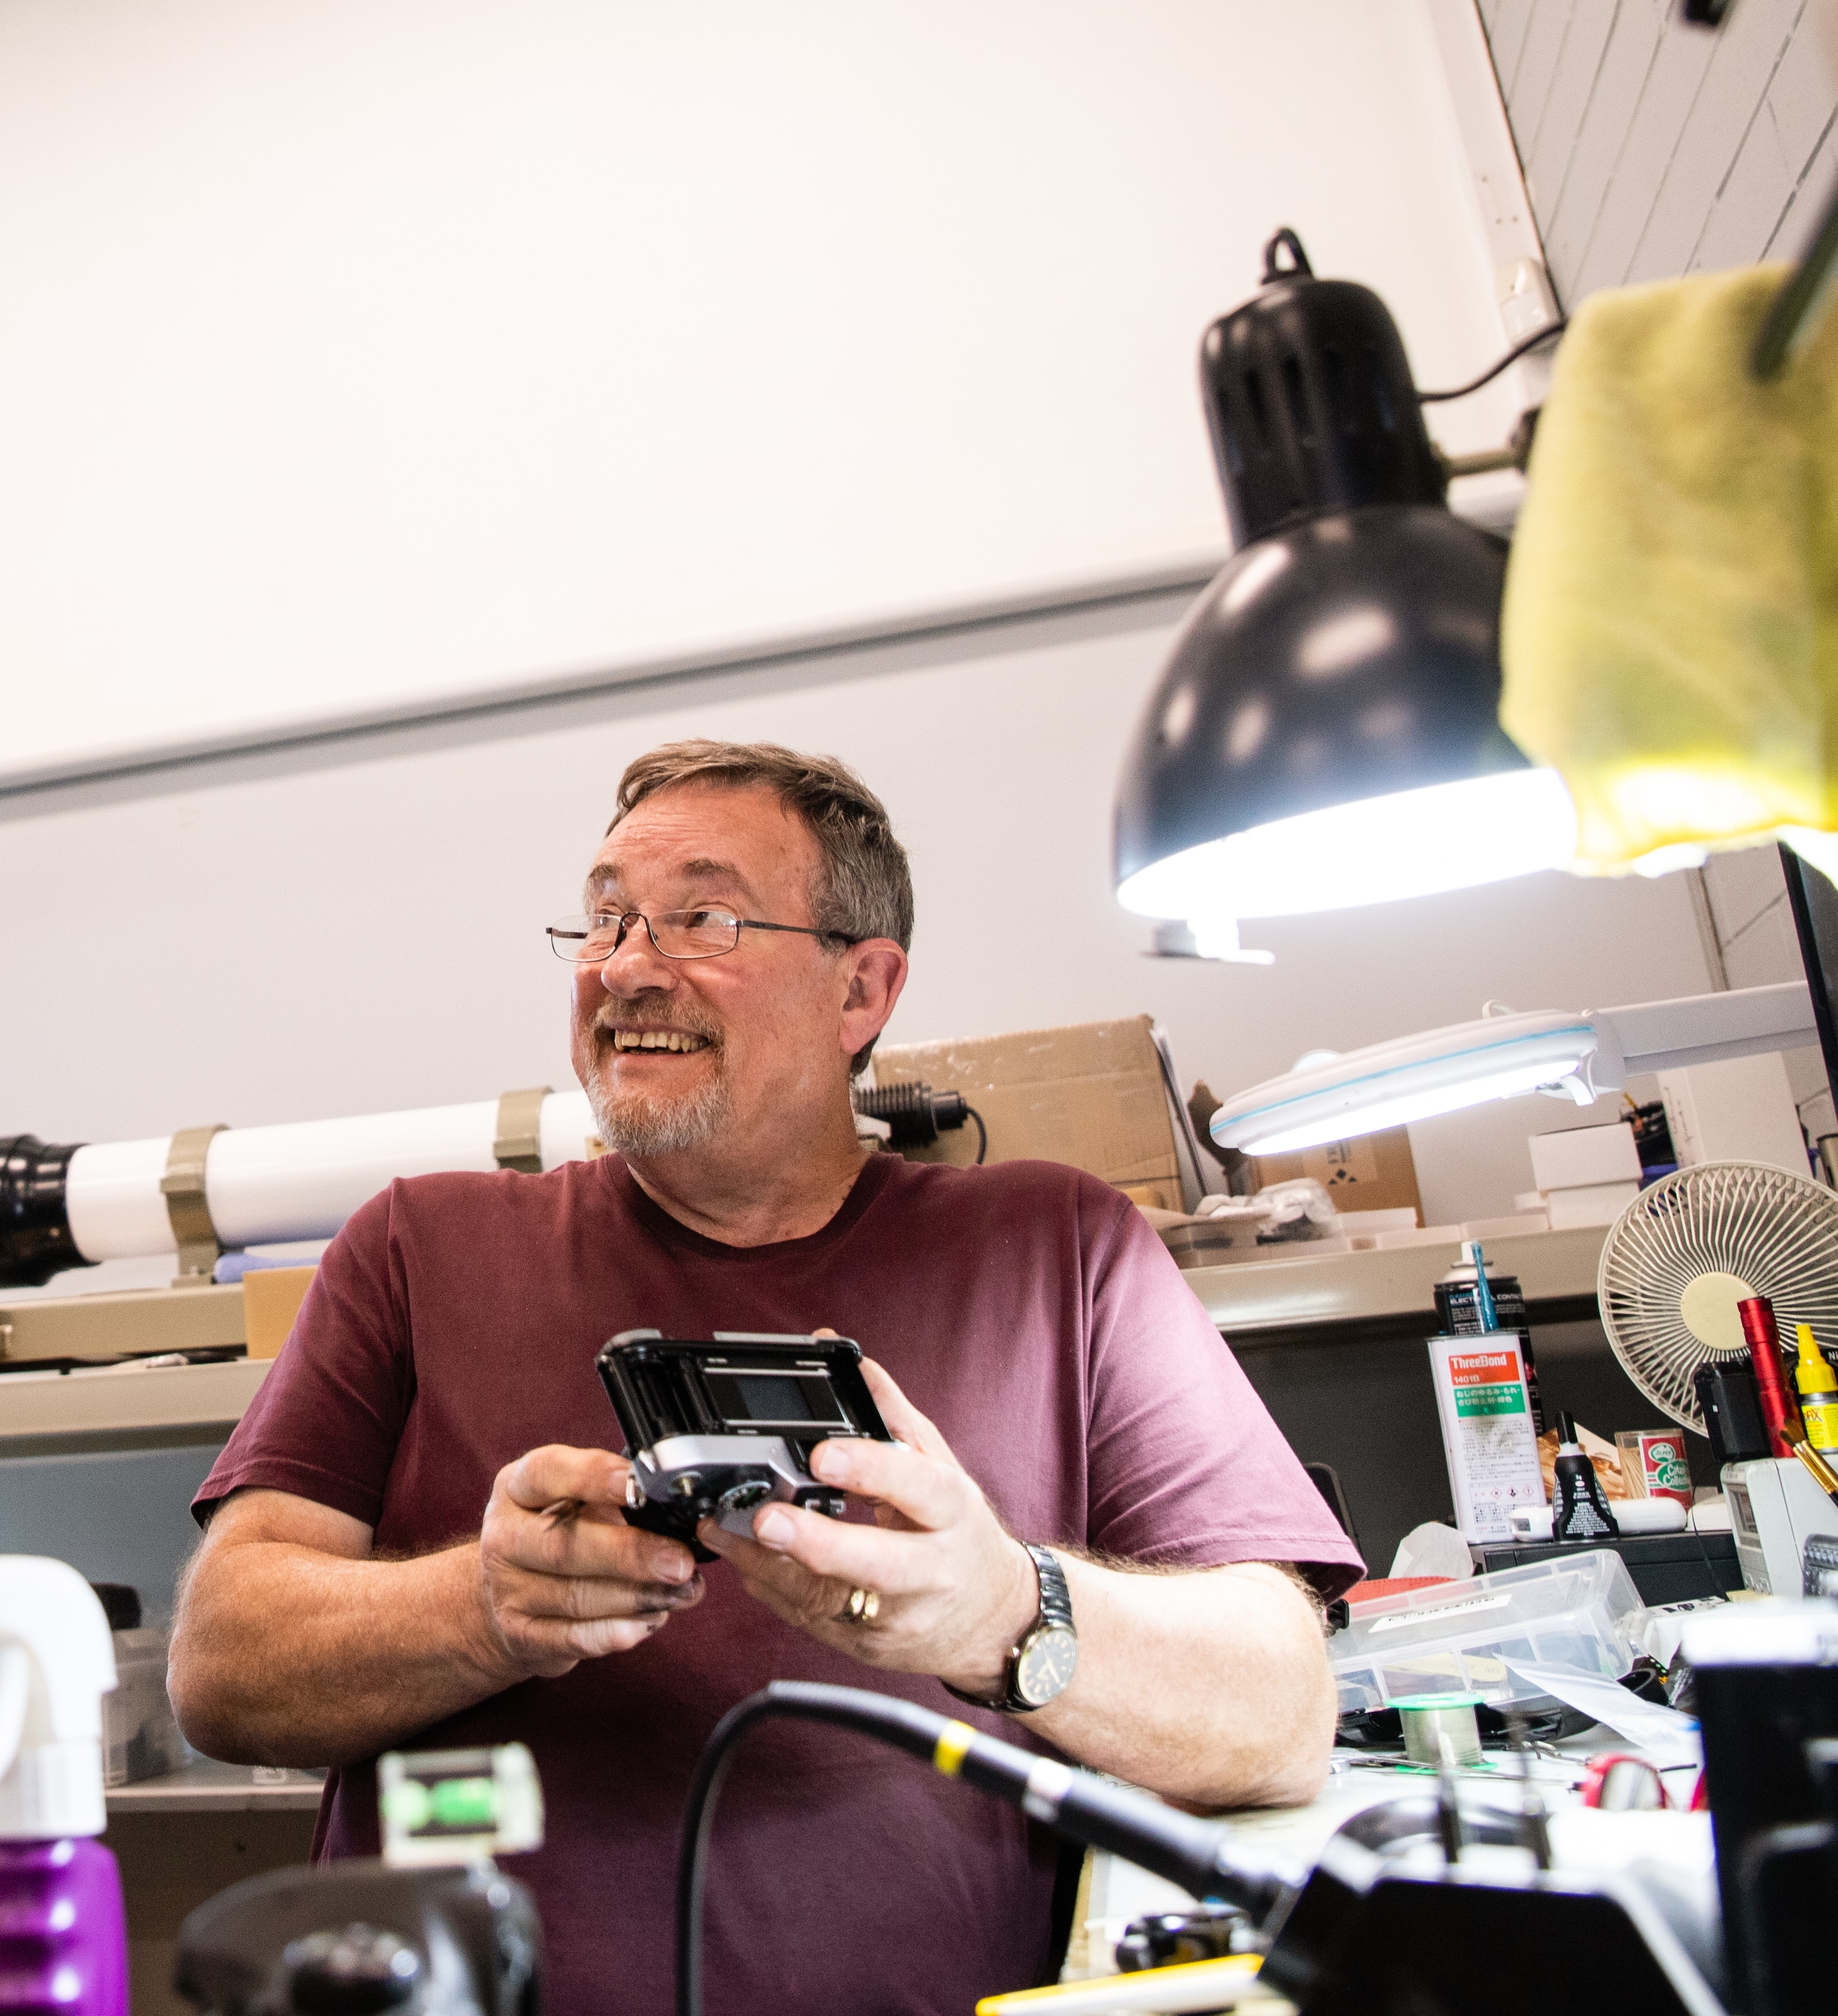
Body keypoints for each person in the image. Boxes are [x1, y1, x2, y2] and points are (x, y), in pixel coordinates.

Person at [166, 739, 1357, 2016]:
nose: (627, 966)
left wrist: (1001, 1613)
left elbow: (1281, 1709)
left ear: (863, 990)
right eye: (609, 914)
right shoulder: (416, 1247)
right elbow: (220, 1667)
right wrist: (484, 1606)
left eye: (704, 918)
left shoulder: (1057, 1254)